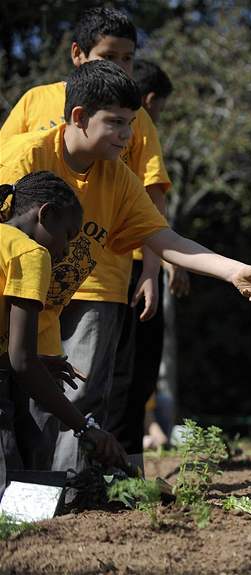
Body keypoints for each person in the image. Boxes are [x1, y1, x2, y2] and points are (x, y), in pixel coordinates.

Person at [0, 60, 251, 477]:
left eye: (132, 123)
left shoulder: (117, 178)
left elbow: (163, 239)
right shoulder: (22, 159)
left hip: (40, 319)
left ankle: (52, 507)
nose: (128, 135)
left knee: (40, 433)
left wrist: (231, 270)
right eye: (116, 123)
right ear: (78, 117)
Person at [0, 7, 177, 455]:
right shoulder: (31, 122)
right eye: (108, 55)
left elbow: (154, 216)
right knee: (19, 400)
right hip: (26, 285)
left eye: (128, 59)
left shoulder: (122, 150)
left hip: (99, 280)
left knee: (66, 394)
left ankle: (62, 490)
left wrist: (156, 271)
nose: (126, 134)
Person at [0, 172, 127, 496]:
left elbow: (22, 357)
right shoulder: (31, 254)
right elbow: (21, 363)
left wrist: (39, 361)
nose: (68, 250)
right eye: (68, 235)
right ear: (46, 215)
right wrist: (85, 427)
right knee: (11, 499)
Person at [107, 59, 188, 453]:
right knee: (136, 367)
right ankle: (123, 458)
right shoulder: (143, 125)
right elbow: (156, 204)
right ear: (151, 99)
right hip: (139, 263)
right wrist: (169, 262)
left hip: (98, 261)